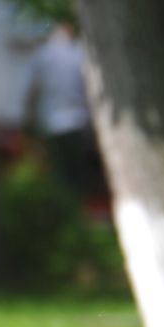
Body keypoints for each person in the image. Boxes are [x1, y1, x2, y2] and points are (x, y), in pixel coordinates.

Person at [22, 20, 104, 200]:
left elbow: (32, 93)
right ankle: (87, 218)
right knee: (85, 177)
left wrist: (28, 122)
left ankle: (70, 211)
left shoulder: (41, 56)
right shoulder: (79, 53)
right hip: (80, 122)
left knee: (61, 179)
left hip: (52, 125)